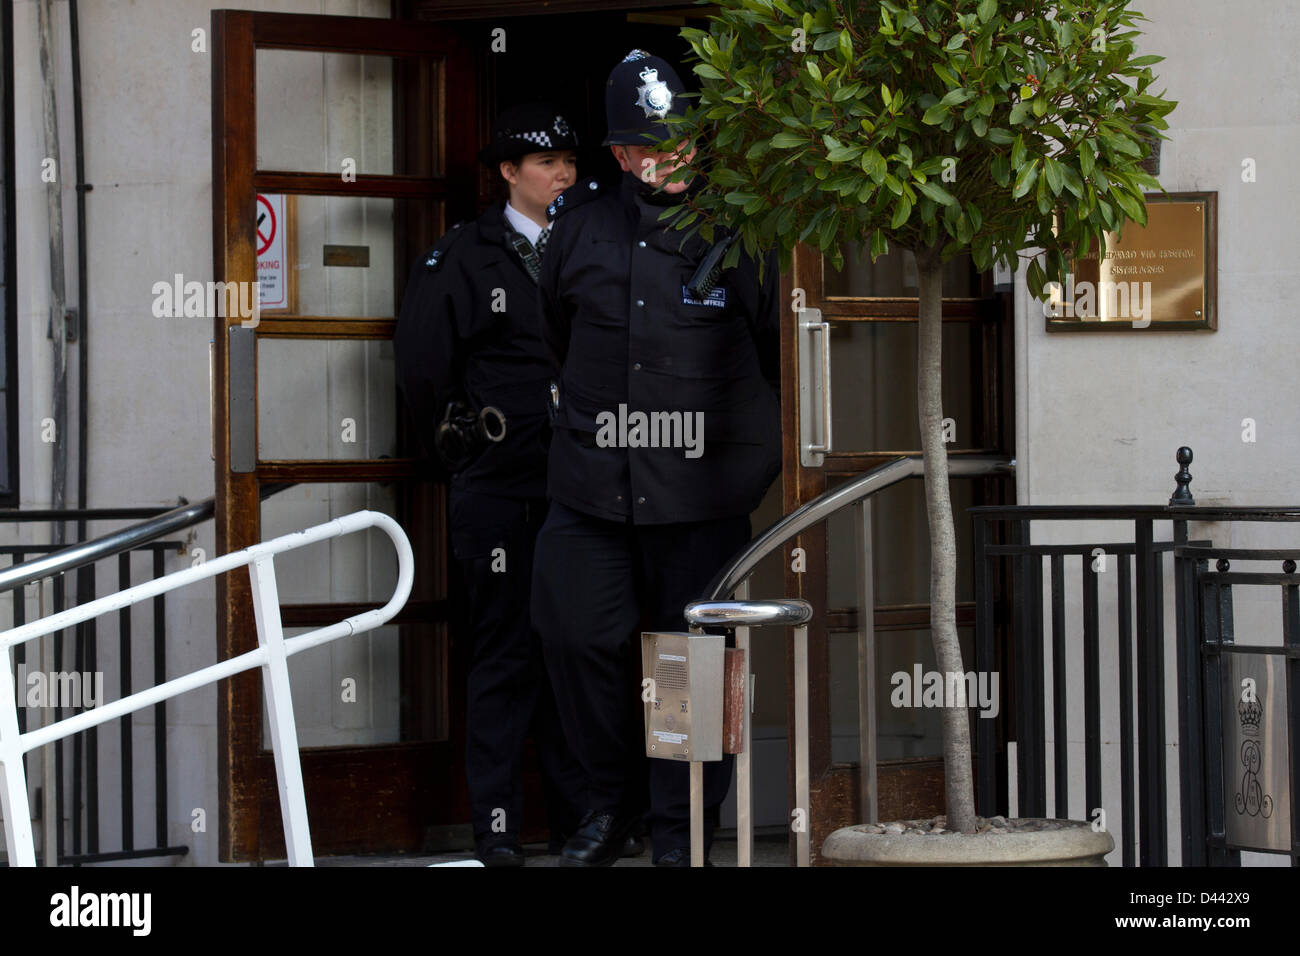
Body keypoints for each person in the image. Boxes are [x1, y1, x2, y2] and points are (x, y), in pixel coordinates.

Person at [533, 50, 782, 866]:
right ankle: (611, 807)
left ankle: (683, 840)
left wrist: (748, 468)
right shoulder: (578, 224)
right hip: (590, 491)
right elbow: (554, 339)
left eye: (673, 142)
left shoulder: (739, 225)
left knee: (689, 671)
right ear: (616, 154)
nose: (658, 160)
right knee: (574, 637)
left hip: (700, 498)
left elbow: (773, 355)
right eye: (641, 147)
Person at [393, 103, 591, 867]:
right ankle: (499, 829)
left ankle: (587, 824)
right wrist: (465, 453)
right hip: (503, 487)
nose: (564, 175)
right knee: (507, 653)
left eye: (571, 162)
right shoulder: (462, 258)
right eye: (547, 164)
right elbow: (423, 371)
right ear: (509, 173)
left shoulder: (592, 241)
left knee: (579, 650)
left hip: (586, 486)